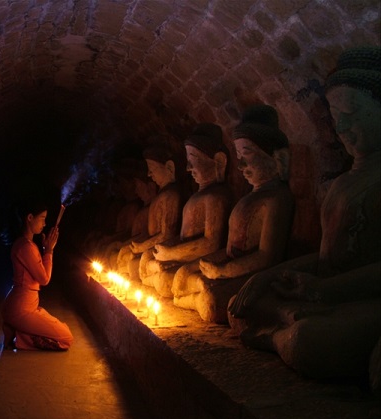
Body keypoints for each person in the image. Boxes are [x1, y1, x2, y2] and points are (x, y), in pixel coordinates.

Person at [228, 46, 381, 388]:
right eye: (335, 115)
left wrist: (325, 291)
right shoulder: (344, 182)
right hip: (323, 291)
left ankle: (275, 337)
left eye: (352, 112)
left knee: (311, 340)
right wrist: (271, 276)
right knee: (240, 305)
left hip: (361, 299)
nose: (341, 125)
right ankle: (285, 320)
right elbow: (328, 254)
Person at [173, 105, 294, 323]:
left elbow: (268, 256)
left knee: (212, 300)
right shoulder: (248, 197)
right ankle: (193, 295)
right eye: (238, 155)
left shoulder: (277, 198)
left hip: (252, 276)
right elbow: (226, 248)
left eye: (247, 154)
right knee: (181, 278)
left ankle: (194, 299)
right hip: (229, 271)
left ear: (279, 159)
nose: (240, 165)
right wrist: (205, 265)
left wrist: (223, 271)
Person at [140, 123, 233, 297]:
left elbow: (211, 243)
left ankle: (192, 297)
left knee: (165, 279)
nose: (188, 169)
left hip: (203, 262)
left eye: (193, 161)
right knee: (149, 266)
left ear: (219, 162)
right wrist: (167, 250)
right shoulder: (197, 196)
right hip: (185, 258)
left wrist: (172, 253)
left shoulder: (216, 197)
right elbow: (180, 237)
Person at [2, 199, 73, 351]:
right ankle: (18, 336)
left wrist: (46, 249)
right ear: (29, 218)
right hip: (21, 309)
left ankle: (15, 330)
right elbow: (44, 279)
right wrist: (48, 251)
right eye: (42, 218)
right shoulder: (25, 247)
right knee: (66, 338)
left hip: (25, 306)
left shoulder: (27, 245)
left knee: (59, 328)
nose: (45, 224)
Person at [117, 138, 183, 281]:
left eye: (152, 169)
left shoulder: (171, 195)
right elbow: (150, 232)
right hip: (155, 249)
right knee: (125, 260)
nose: (149, 174)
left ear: (169, 168)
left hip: (162, 250)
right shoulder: (163, 195)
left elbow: (167, 234)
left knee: (136, 267)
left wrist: (143, 247)